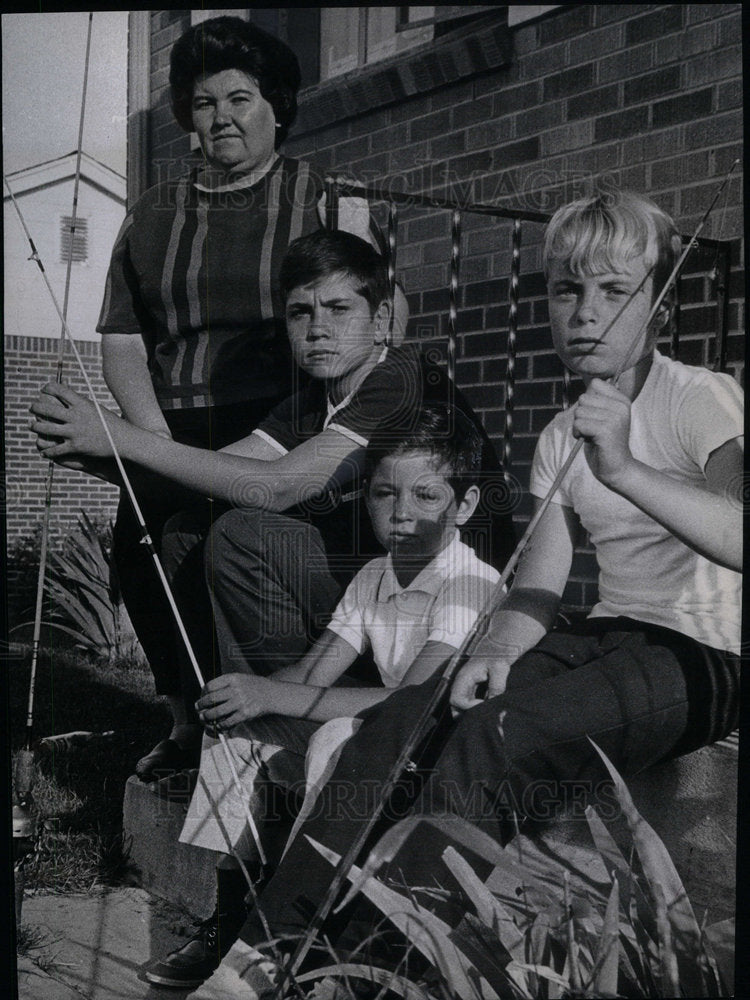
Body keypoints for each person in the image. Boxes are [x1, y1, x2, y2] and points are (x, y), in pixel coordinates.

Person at [181, 190, 742, 999]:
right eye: (566, 290)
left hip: (708, 657)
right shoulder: (561, 433)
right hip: (607, 632)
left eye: (613, 290)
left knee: (500, 738)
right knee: (406, 713)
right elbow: (541, 585)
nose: (586, 314)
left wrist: (625, 468)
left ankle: (370, 971)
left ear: (654, 298)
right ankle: (266, 949)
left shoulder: (701, 398)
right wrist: (496, 649)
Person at [31, 227, 514, 738]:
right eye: (301, 312)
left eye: (338, 308)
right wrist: (99, 457)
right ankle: (232, 713)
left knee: (244, 534)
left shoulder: (400, 377)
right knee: (186, 533)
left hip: (459, 601)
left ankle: (282, 726)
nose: (317, 328)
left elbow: (278, 486)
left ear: (382, 320)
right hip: (384, 588)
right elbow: (219, 473)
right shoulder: (314, 398)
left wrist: (121, 437)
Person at [96, 15, 386, 780]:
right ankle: (187, 721)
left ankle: (274, 718)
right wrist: (154, 439)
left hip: (284, 420)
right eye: (202, 103)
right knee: (149, 551)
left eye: (240, 98)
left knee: (233, 551)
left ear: (278, 106)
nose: (221, 117)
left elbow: (378, 309)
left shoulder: (323, 200)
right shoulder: (153, 211)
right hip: (171, 415)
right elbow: (123, 335)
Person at [144, 403, 501, 988]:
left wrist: (270, 694)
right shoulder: (375, 575)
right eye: (384, 494)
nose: (402, 513)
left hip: (441, 758)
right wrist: (238, 696)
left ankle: (304, 927)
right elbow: (313, 673)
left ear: (464, 506)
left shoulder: (471, 585)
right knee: (239, 729)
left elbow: (415, 704)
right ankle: (233, 912)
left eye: (426, 497)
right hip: (386, 734)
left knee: (333, 737)